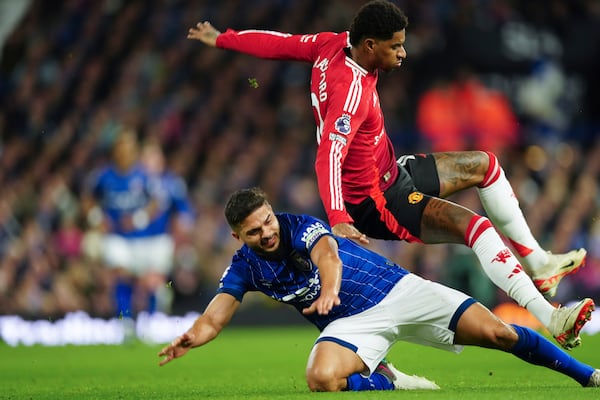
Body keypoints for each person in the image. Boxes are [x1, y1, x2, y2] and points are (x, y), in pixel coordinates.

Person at [186, 0, 592, 349]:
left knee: (485, 165)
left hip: (391, 173)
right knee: (475, 227)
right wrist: (340, 218)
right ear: (370, 45)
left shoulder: (332, 44)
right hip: (375, 202)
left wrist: (223, 37)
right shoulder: (350, 95)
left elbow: (278, 43)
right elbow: (327, 154)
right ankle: (550, 316)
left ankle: (538, 263)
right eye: (396, 46)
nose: (403, 52)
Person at [158, 187, 599, 392]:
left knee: (500, 334)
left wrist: (328, 290)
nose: (268, 233)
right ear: (238, 237)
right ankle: (389, 384)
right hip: (352, 325)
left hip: (398, 290)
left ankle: (588, 376)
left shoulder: (299, 227)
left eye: (268, 221)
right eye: (254, 232)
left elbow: (328, 254)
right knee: (320, 378)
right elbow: (216, 314)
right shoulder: (244, 266)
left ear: (274, 213)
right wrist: (192, 337)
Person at [82, 130, 194, 316]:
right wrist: (97, 218)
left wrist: (138, 219)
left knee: (153, 281)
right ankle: (124, 319)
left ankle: (153, 318)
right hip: (119, 237)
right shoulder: (103, 176)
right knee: (121, 274)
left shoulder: (148, 177)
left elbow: (160, 203)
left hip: (151, 239)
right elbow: (88, 198)